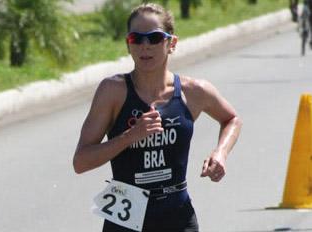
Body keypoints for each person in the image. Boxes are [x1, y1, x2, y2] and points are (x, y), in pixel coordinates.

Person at [73, 3, 242, 232]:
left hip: (177, 213)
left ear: (171, 43)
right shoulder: (113, 91)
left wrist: (220, 153)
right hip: (126, 215)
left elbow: (231, 119)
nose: (145, 46)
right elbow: (81, 161)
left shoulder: (193, 91)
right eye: (136, 38)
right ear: (128, 44)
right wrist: (130, 136)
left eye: (154, 38)